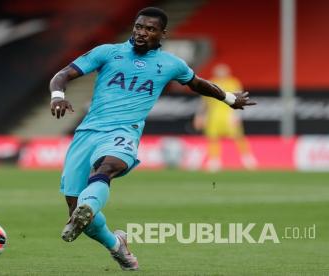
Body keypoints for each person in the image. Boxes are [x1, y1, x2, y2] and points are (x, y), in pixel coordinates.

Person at [49, 7, 255, 271]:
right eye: (138, 27)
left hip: (124, 132)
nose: (141, 33)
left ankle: (88, 206)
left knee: (108, 167)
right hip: (87, 132)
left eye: (149, 29)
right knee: (76, 210)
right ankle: (116, 245)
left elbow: (198, 84)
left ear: (162, 34)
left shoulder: (171, 64)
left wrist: (229, 98)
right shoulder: (107, 52)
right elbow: (63, 75)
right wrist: (57, 96)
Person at [193, 64, 257, 171]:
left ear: (228, 72)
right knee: (212, 139)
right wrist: (200, 116)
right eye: (218, 71)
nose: (221, 73)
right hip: (213, 116)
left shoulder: (233, 82)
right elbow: (204, 102)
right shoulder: (210, 82)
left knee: (238, 137)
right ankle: (214, 161)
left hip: (228, 115)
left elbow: (239, 99)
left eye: (223, 71)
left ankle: (247, 159)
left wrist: (236, 115)